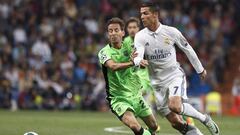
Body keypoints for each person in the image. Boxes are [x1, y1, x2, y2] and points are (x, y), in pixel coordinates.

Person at [133, 2, 220, 135]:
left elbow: (188, 49)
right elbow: (137, 55)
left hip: (174, 76)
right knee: (175, 122)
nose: (142, 17)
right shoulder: (140, 36)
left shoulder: (171, 32)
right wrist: (138, 60)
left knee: (175, 106)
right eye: (141, 14)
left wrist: (200, 69)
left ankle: (205, 119)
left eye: (145, 13)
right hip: (157, 83)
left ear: (155, 14)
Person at [98, 17, 159, 135]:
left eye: (116, 30)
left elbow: (139, 64)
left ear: (122, 32)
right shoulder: (104, 52)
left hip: (136, 95)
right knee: (135, 126)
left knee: (154, 126)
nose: (113, 33)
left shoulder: (131, 47)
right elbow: (113, 66)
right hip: (119, 99)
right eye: (110, 31)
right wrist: (133, 62)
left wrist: (140, 62)